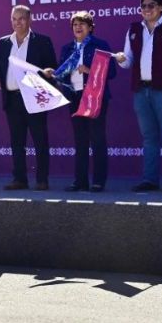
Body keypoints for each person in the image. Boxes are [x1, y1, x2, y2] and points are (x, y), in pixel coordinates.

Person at [114, 0, 162, 193]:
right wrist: (121, 60)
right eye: (143, 6)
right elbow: (128, 61)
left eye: (151, 5)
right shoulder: (134, 29)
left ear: (161, 7)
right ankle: (150, 180)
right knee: (149, 136)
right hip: (140, 90)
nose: (146, 9)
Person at [43, 11, 115, 192]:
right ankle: (80, 181)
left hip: (95, 97)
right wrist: (54, 73)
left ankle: (98, 181)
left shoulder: (100, 45)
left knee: (97, 139)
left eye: (82, 24)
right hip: (75, 97)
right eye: (75, 24)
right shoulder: (67, 48)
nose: (78, 27)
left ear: (90, 28)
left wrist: (90, 70)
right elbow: (63, 73)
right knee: (80, 141)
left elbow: (112, 72)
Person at [0, 5, 57, 190]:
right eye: (14, 19)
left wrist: (50, 72)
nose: (17, 23)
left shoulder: (42, 41)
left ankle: (42, 180)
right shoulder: (4, 42)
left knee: (40, 140)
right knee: (17, 142)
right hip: (12, 99)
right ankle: (20, 179)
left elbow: (52, 67)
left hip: (34, 98)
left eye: (21, 18)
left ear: (30, 19)